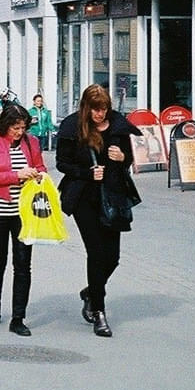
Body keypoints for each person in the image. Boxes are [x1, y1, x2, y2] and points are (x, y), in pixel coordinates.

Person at [55, 84, 142, 338]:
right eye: (95, 109)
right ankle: (99, 312)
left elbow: (129, 159)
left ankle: (90, 292)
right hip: (83, 197)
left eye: (103, 109)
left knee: (112, 257)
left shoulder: (117, 125)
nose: (100, 114)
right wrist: (86, 173)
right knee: (95, 252)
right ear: (86, 108)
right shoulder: (73, 126)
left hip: (112, 196)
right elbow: (62, 163)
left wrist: (121, 158)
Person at [0, 102, 46, 337]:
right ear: (5, 125)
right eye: (15, 127)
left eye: (23, 128)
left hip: (24, 212)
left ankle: (18, 317)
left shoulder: (32, 142)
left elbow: (40, 166)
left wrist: (39, 175)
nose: (19, 132)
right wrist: (17, 175)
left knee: (23, 264)